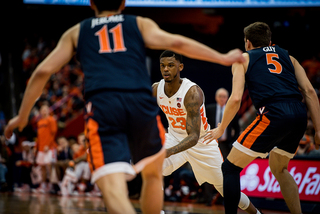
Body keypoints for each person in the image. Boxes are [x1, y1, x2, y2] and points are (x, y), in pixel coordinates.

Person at [5, 0, 245, 213]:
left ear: (91, 3)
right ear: (123, 3)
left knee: (112, 188)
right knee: (153, 174)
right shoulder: (138, 23)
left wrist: (22, 116)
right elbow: (176, 41)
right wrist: (222, 58)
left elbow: (43, 71)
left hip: (104, 103)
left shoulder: (76, 32)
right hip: (138, 101)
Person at [205, 22, 320, 214]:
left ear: (248, 43)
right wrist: (318, 129)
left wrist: (221, 127)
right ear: (270, 41)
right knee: (280, 169)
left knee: (230, 168)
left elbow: (235, 99)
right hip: (299, 114)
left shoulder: (243, 58)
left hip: (274, 113)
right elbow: (309, 91)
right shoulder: (289, 57)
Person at [153, 50, 260, 214]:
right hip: (174, 136)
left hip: (201, 142)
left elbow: (194, 137)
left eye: (170, 65)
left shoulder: (192, 93)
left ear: (180, 67)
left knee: (225, 188)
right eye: (162, 66)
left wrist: (167, 152)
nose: (166, 69)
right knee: (152, 166)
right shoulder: (156, 89)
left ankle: (256, 213)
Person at [206, 88, 240, 160]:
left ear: (227, 98)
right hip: (212, 142)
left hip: (226, 144)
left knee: (225, 164)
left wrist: (232, 143)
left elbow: (237, 128)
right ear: (216, 97)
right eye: (220, 96)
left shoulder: (232, 111)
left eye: (224, 97)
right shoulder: (209, 109)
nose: (222, 99)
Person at [33, 104, 57, 193]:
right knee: (42, 167)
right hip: (41, 149)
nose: (44, 111)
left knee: (49, 166)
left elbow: (53, 134)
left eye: (46, 109)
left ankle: (51, 185)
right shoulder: (39, 122)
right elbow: (38, 136)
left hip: (49, 148)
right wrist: (36, 147)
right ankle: (43, 185)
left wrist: (48, 145)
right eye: (42, 109)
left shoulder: (51, 120)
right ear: (40, 112)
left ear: (49, 110)